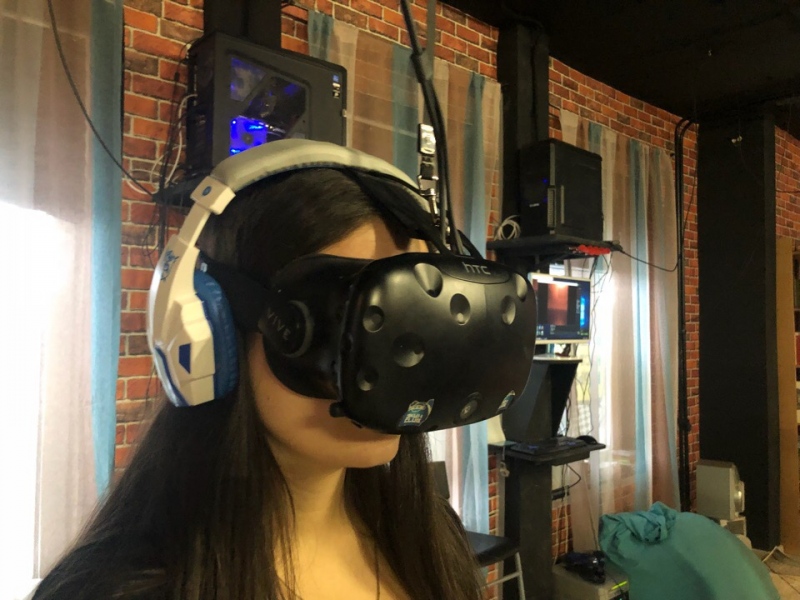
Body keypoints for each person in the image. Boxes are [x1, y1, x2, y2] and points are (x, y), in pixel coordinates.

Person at [33, 163, 485, 599]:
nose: (392, 368)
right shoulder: (111, 590)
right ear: (209, 328)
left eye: (414, 322)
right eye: (340, 321)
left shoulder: (430, 536)